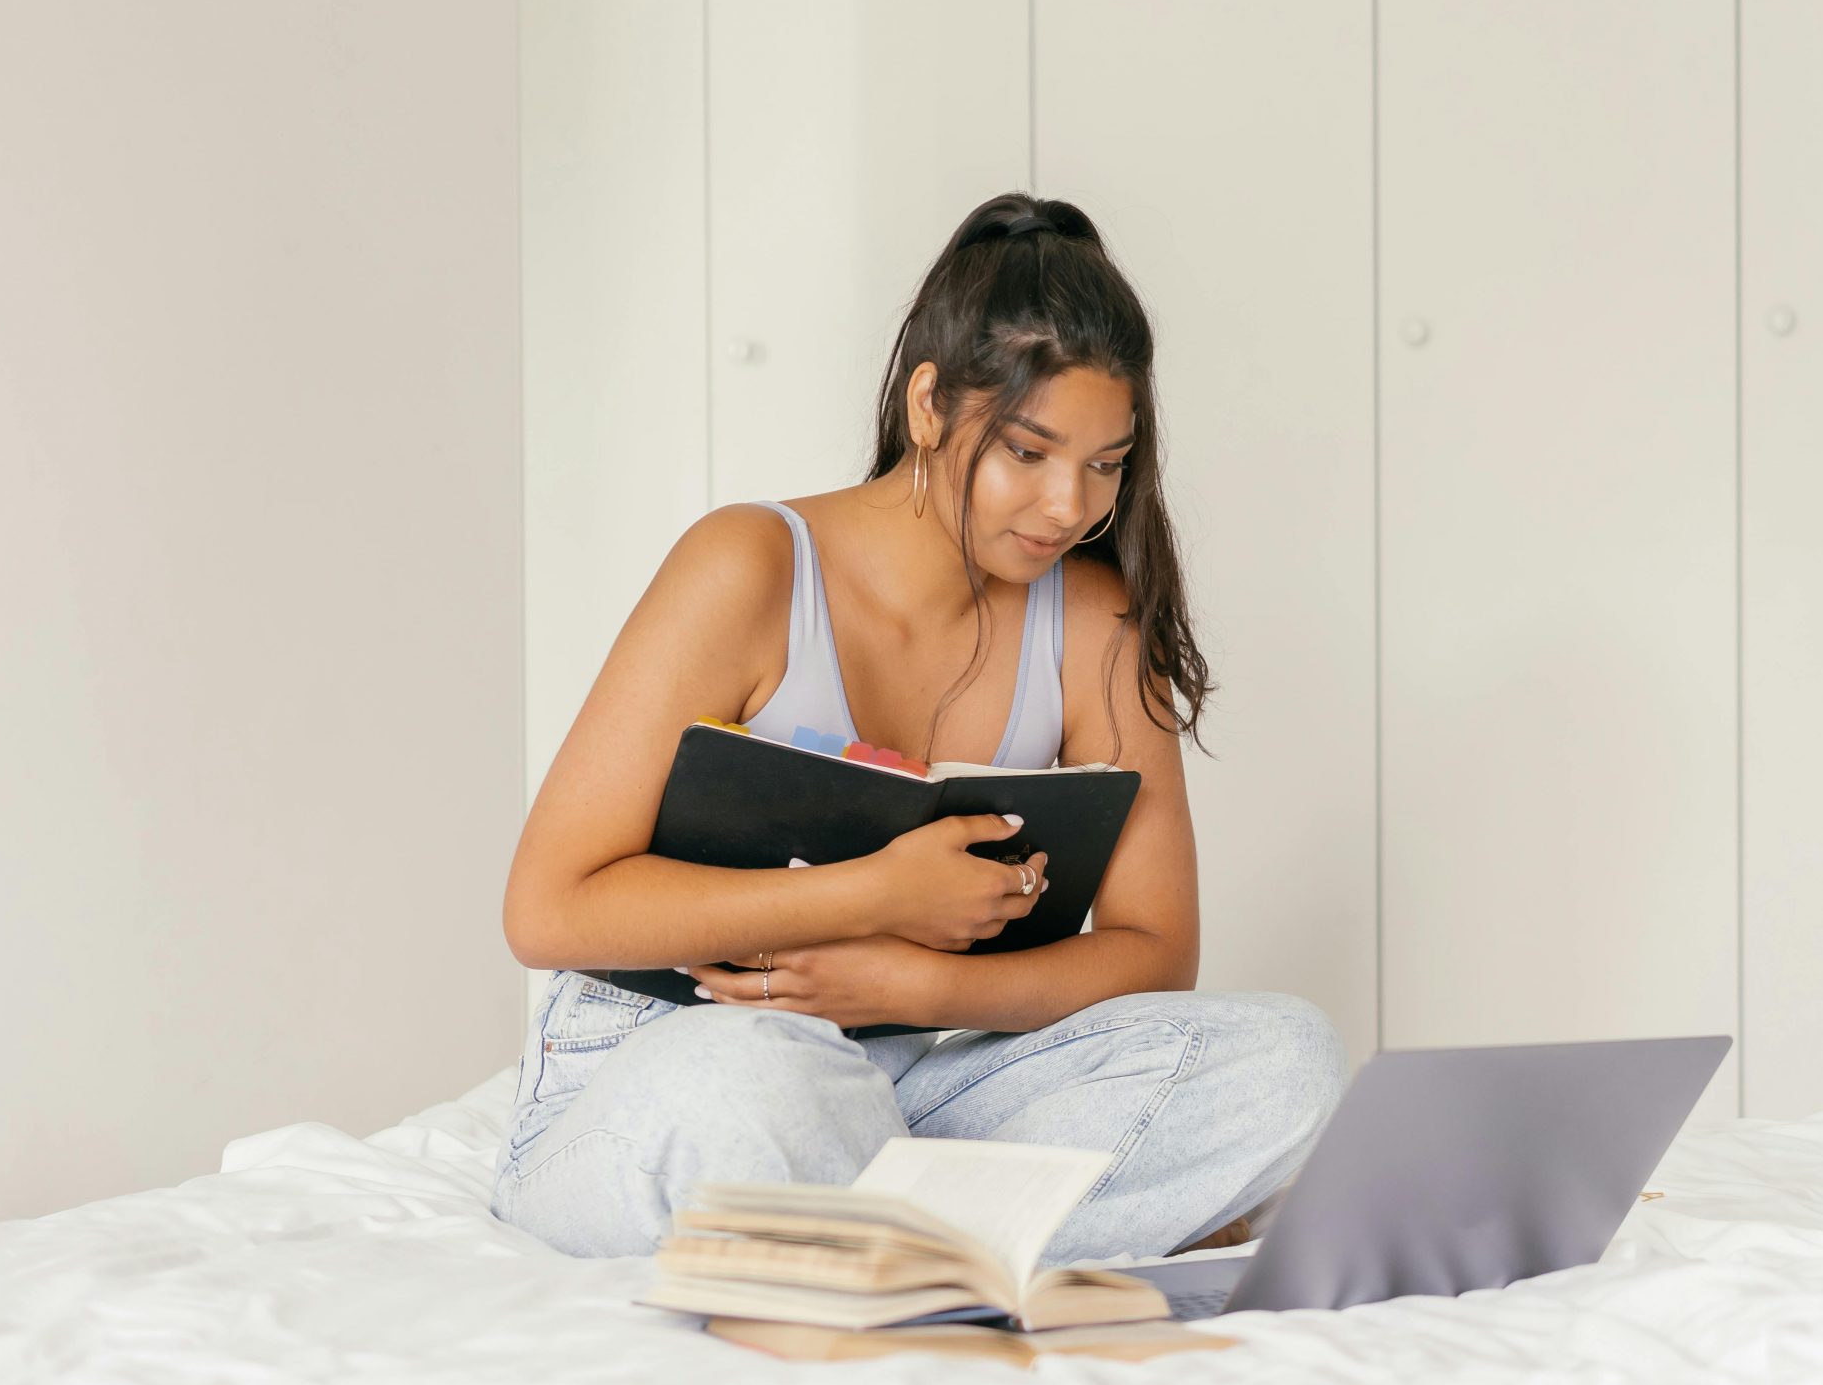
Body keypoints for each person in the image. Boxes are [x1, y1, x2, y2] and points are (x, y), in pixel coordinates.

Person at [491, 192, 1349, 1267]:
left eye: (1104, 462)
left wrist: (917, 986)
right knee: (754, 1079)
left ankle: (884, 1238)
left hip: (909, 1080)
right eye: (1029, 454)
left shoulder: (1091, 621)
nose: (1067, 506)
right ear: (930, 404)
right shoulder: (748, 566)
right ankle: (1007, 1230)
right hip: (669, 1066)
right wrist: (878, 897)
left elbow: (1155, 950)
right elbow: (546, 909)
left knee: (1286, 1058)